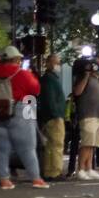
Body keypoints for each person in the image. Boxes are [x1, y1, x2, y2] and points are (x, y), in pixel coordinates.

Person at [0, 46, 47, 189]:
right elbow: (35, 89)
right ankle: (36, 179)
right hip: (21, 108)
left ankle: (4, 180)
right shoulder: (23, 74)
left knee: (0, 149)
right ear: (16, 59)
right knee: (27, 147)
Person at [72, 59, 99, 181]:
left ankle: (89, 168)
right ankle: (81, 169)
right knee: (87, 143)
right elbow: (77, 92)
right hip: (88, 114)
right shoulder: (84, 78)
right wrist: (86, 75)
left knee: (93, 144)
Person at [38, 54, 66, 182]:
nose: (58, 65)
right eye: (56, 63)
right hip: (54, 117)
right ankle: (55, 171)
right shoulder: (50, 79)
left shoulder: (49, 78)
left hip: (51, 116)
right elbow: (50, 99)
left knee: (50, 145)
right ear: (49, 63)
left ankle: (49, 171)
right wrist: (56, 114)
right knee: (56, 144)